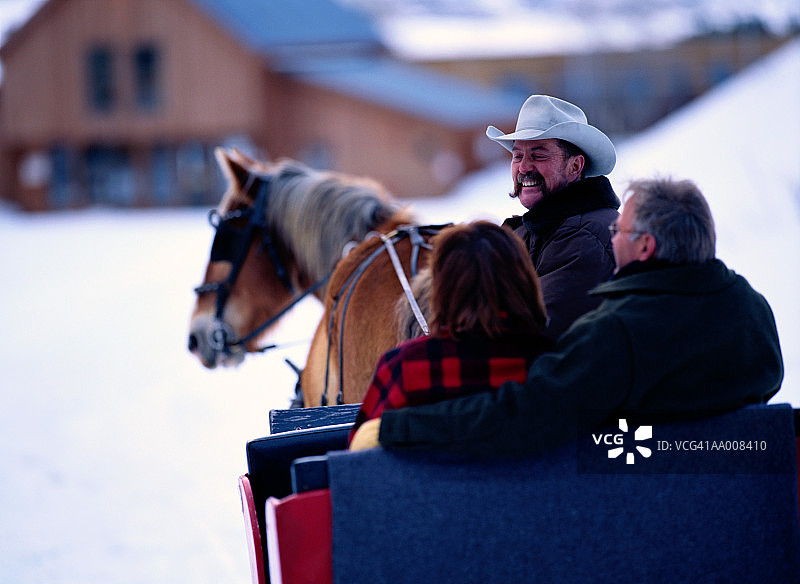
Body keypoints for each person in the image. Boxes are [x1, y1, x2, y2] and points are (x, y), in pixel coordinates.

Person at [350, 178, 783, 456]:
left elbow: (520, 416)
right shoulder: (752, 311)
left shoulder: (617, 334)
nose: (611, 238)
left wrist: (395, 428)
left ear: (646, 248)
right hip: (740, 511)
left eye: (618, 231)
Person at [348, 221, 553, 446]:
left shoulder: (401, 370)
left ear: (440, 291)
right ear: (525, 284)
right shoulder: (553, 368)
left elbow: (358, 459)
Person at [489, 95, 621, 339]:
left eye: (538, 155)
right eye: (517, 156)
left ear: (575, 167)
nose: (524, 167)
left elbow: (537, 336)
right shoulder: (535, 229)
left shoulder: (583, 237)